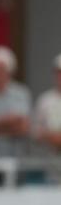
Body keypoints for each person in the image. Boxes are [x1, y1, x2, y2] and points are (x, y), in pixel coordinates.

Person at [33, 54, 61, 182]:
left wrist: (50, 136)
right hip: (49, 170)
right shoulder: (45, 100)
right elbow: (36, 134)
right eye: (58, 72)